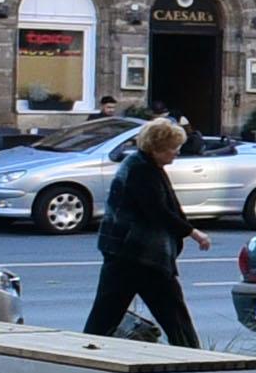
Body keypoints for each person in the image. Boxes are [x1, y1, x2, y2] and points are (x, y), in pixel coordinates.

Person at [85, 118, 204, 348]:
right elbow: (157, 210)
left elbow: (169, 206)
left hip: (129, 253)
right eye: (173, 147)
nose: (177, 152)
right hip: (140, 254)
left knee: (105, 314)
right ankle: (195, 357)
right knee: (173, 315)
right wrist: (192, 232)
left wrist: (185, 228)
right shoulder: (141, 170)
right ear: (157, 148)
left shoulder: (145, 165)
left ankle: (87, 353)